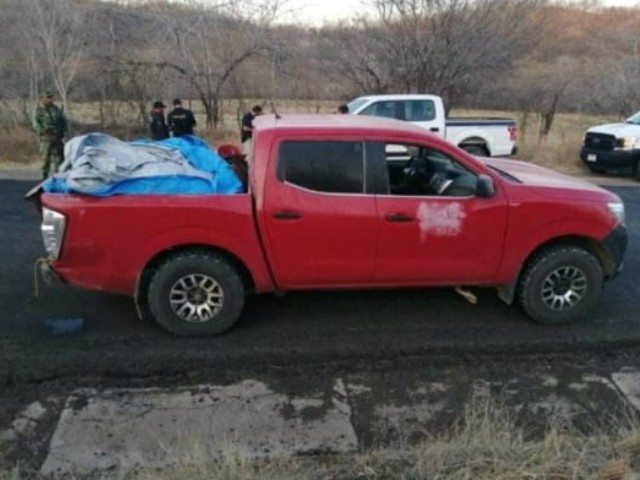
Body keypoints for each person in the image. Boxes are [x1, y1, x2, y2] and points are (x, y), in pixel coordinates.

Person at [34, 91, 68, 179]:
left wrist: (64, 134)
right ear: (43, 99)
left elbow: (63, 122)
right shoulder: (39, 111)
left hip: (57, 137)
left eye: (50, 97)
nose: (49, 99)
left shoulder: (56, 110)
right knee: (45, 159)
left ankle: (58, 177)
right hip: (46, 138)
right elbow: (36, 124)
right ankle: (44, 177)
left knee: (59, 159)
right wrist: (44, 133)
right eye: (47, 97)